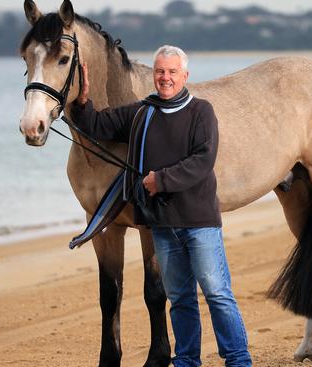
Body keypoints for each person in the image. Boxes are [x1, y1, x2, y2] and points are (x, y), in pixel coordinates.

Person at [70, 45, 252, 367]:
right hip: (162, 226)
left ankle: (238, 360)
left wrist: (160, 181)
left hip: (199, 223)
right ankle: (186, 361)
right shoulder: (141, 113)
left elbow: (202, 161)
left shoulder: (202, 111)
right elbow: (98, 125)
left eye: (171, 72)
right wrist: (82, 103)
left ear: (185, 76)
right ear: (153, 75)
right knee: (180, 299)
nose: (165, 78)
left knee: (217, 295)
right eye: (159, 72)